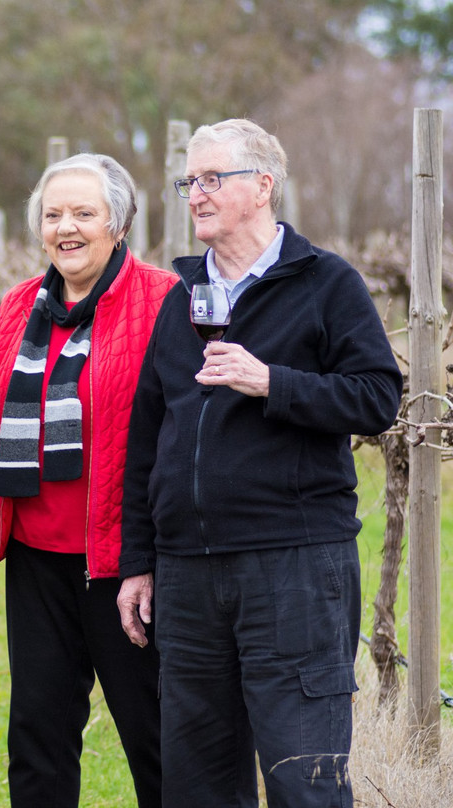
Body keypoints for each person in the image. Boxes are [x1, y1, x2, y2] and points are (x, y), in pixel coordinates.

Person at [117, 118, 403, 808]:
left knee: (303, 778)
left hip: (293, 568)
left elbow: (377, 398)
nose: (195, 194)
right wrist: (139, 559)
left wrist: (272, 382)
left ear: (262, 186)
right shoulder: (179, 297)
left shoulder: (325, 283)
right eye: (190, 181)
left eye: (213, 179)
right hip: (187, 577)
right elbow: (148, 435)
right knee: (197, 785)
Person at [0, 153, 174, 808]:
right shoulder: (19, 306)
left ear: (119, 223)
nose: (65, 228)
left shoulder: (161, 301)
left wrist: (148, 558)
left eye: (83, 213)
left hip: (127, 562)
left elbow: (180, 437)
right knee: (38, 739)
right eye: (53, 214)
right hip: (39, 558)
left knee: (156, 739)